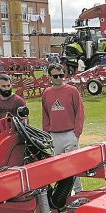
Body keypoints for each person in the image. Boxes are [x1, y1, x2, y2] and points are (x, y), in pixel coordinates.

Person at [41, 63, 85, 191]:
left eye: (61, 75)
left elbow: (80, 112)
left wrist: (76, 133)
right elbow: (45, 115)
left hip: (70, 134)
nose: (59, 78)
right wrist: (47, 133)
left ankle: (78, 191)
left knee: (74, 166)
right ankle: (62, 194)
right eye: (56, 76)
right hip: (54, 136)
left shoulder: (72, 90)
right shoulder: (46, 93)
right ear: (50, 77)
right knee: (59, 168)